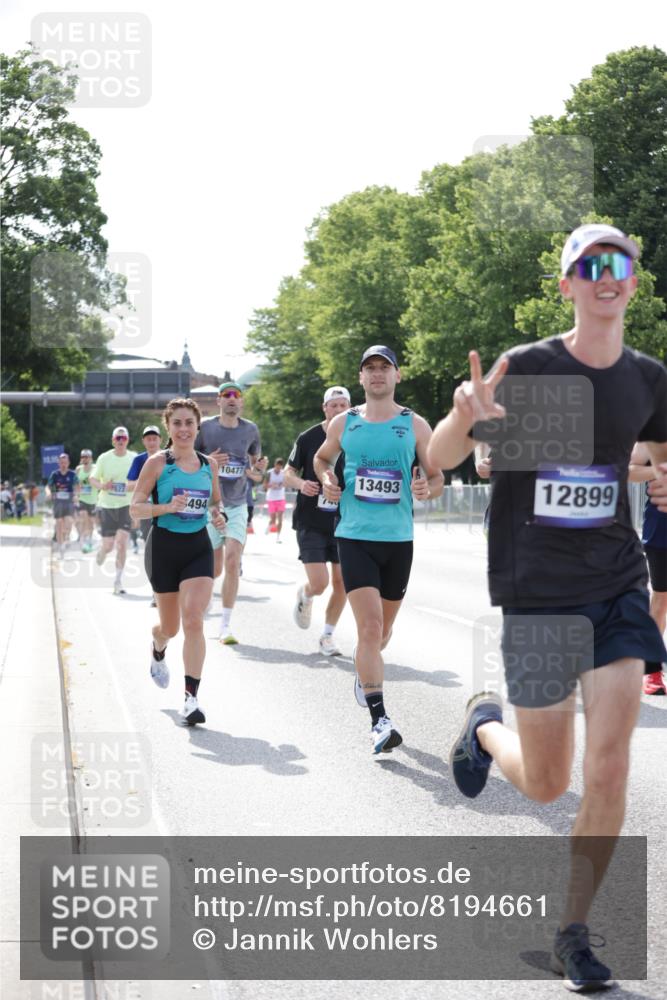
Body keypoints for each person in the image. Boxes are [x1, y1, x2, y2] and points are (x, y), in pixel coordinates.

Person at [427, 223, 667, 990]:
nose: (606, 275)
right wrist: (466, 413)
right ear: (566, 283)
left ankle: (572, 932)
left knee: (607, 768)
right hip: (535, 591)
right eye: (588, 265)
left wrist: (659, 480)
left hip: (616, 584)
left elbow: (652, 456)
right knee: (543, 781)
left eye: (618, 263)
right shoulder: (526, 368)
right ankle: (483, 726)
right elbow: (438, 459)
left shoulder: (647, 377)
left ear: (633, 280)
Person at [314, 346, 444, 753]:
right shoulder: (344, 422)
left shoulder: (415, 424)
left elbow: (437, 475)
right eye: (369, 368)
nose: (376, 375)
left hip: (398, 541)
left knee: (383, 633)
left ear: (396, 376)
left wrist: (427, 487)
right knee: (369, 628)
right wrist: (327, 477)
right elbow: (321, 458)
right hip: (354, 536)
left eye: (383, 368)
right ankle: (379, 720)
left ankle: (363, 669)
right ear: (361, 378)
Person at [130, 398, 227, 725]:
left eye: (189, 423)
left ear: (198, 426)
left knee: (194, 619)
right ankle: (158, 647)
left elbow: (215, 501)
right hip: (164, 550)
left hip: (197, 546)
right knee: (169, 627)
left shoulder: (208, 465)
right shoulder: (158, 463)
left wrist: (219, 516)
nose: (184, 429)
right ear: (169, 428)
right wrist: (167, 507)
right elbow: (136, 508)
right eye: (177, 424)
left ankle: (191, 698)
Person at [194, 381, 263, 644]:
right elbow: (188, 457)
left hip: (237, 504)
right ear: (219, 400)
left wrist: (259, 470)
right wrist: (208, 460)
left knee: (233, 561)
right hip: (210, 504)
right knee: (215, 567)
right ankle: (205, 598)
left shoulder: (251, 430)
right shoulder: (207, 428)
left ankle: (225, 625)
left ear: (242, 402)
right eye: (227, 395)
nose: (232, 399)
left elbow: (256, 470)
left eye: (237, 395)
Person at [285, 385, 351, 656]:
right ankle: (307, 594)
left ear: (350, 408)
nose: (338, 409)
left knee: (342, 582)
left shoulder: (357, 436)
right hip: (311, 520)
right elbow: (289, 472)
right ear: (325, 408)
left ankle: (327, 636)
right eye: (333, 405)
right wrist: (301, 484)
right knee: (321, 582)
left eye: (343, 405)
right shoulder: (308, 437)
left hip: (344, 519)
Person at [629, 441, 667, 695]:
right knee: (662, 598)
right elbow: (629, 470)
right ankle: (651, 670)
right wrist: (660, 471)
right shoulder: (655, 432)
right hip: (662, 530)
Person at [90, 426, 137, 595]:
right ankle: (102, 551)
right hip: (107, 505)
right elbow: (92, 479)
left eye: (123, 438)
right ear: (112, 441)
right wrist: (102, 485)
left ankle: (118, 580)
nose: (120, 441)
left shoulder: (134, 458)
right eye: (117, 438)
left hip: (126, 506)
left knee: (122, 543)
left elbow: (140, 481)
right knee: (109, 545)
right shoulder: (104, 458)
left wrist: (129, 487)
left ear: (128, 440)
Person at [46, 454, 79, 558]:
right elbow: (48, 486)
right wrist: (48, 493)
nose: (63, 464)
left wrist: (76, 495)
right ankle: (61, 546)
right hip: (58, 501)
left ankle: (66, 538)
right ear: (58, 463)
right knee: (59, 523)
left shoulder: (72, 474)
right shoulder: (54, 474)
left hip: (69, 501)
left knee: (68, 522)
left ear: (68, 463)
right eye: (61, 462)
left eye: (65, 462)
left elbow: (78, 487)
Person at [75, 450, 98, 552]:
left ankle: (89, 538)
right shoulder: (78, 469)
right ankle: (83, 539)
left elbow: (100, 481)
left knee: (91, 522)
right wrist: (76, 494)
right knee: (83, 517)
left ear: (91, 458)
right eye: (83, 457)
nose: (85, 459)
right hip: (82, 499)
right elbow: (76, 483)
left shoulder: (95, 468)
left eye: (87, 457)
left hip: (93, 499)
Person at [264, 458, 286, 541]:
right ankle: (269, 526)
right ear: (275, 465)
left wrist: (281, 484)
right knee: (273, 519)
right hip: (271, 498)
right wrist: (271, 485)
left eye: (280, 467)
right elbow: (264, 485)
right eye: (277, 467)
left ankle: (278, 536)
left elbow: (286, 483)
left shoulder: (284, 473)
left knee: (280, 518)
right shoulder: (269, 473)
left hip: (281, 498)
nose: (278, 469)